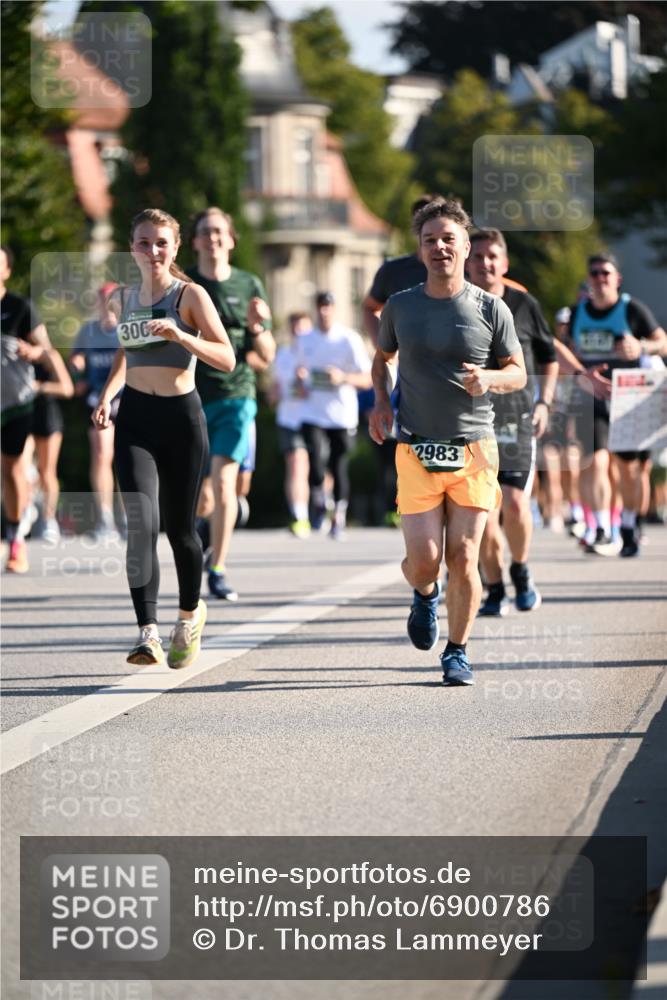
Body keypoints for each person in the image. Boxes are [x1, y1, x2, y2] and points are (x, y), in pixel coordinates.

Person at [369, 199, 526, 687]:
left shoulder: (490, 308)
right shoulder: (401, 306)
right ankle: (424, 592)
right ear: (420, 250)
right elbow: (382, 359)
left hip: (475, 448)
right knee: (424, 561)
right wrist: (380, 401)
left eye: (448, 239)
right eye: (430, 240)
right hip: (415, 446)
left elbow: (518, 373)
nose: (439, 246)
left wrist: (489, 379)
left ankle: (457, 652)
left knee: (463, 555)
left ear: (464, 246)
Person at [93, 208, 235, 668]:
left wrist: (182, 336)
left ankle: (189, 616)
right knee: (140, 525)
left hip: (181, 419)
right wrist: (108, 396)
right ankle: (147, 633)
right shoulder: (124, 298)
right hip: (135, 417)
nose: (152, 251)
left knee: (179, 531)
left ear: (175, 248)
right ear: (130, 247)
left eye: (161, 243)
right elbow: (125, 353)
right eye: (142, 242)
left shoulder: (189, 295)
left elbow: (227, 358)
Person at [466, 229, 558, 615]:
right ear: (468, 263)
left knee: (517, 503)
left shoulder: (524, 303)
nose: (486, 263)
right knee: (484, 514)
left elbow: (549, 357)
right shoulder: (459, 304)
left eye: (493, 256)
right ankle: (493, 587)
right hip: (471, 422)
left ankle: (519, 571)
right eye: (479, 256)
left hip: (517, 418)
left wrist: (544, 404)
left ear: (504, 264)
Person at [188, 207, 275, 601]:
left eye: (219, 231)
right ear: (194, 242)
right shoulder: (185, 284)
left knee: (225, 484)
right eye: (205, 232)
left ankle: (218, 568)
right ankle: (207, 532)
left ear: (232, 239)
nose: (213, 238)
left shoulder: (248, 283)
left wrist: (258, 326)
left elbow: (268, 353)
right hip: (190, 395)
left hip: (237, 395)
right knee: (201, 493)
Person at [564, 252, 666, 557]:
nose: (599, 278)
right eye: (594, 273)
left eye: (605, 273)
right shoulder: (576, 313)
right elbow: (567, 353)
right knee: (595, 462)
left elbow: (662, 341)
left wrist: (641, 346)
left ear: (617, 279)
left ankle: (629, 523)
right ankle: (601, 528)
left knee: (630, 469)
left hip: (631, 399)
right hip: (592, 396)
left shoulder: (632, 309)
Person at [1, 245, 71, 573]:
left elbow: (47, 351)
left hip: (16, 403)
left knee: (13, 470)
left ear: (6, 271)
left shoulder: (18, 307)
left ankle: (15, 540)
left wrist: (33, 350)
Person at [296, 291, 373, 539]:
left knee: (338, 465)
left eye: (328, 306)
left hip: (341, 413)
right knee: (316, 462)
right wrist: (299, 381)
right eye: (320, 306)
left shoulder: (348, 339)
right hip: (312, 411)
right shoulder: (305, 339)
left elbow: (367, 379)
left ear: (334, 309)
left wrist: (342, 377)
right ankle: (319, 499)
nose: (324, 311)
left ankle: (338, 515)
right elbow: (296, 372)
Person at [70, 283, 122, 538]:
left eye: (112, 299)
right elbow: (75, 361)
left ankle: (130, 517)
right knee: (102, 455)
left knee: (129, 458)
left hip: (130, 399)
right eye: (103, 299)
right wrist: (77, 367)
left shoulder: (128, 329)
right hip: (98, 400)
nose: (107, 303)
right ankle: (106, 518)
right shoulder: (88, 331)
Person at [270, 310, 313, 537]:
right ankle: (300, 516)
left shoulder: (318, 352)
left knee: (320, 469)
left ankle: (324, 505)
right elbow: (273, 390)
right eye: (295, 328)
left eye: (303, 328)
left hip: (318, 418)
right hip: (290, 417)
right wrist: (275, 392)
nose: (298, 333)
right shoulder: (283, 355)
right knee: (297, 464)